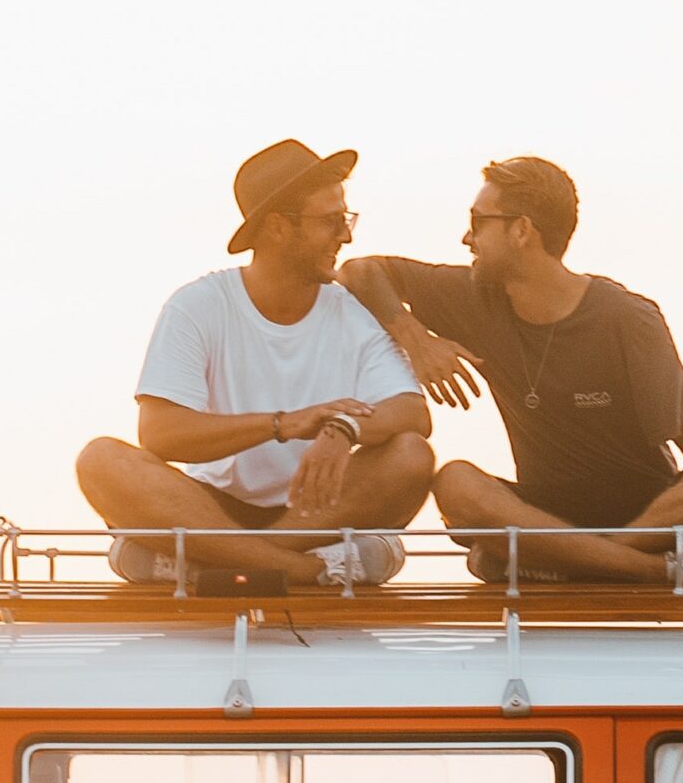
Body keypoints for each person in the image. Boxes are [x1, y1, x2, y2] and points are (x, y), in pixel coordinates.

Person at [338, 157, 683, 585]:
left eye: (478, 221)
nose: (466, 237)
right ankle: (650, 572)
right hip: (543, 516)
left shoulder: (628, 318)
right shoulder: (473, 296)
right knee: (454, 483)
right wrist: (418, 341)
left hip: (652, 516)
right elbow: (360, 271)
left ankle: (580, 563)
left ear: (522, 230)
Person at [77, 140, 435, 590]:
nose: (346, 235)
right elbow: (160, 434)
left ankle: (220, 564)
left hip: (318, 511)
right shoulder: (198, 306)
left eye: (346, 219)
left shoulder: (354, 313)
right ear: (277, 229)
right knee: (100, 460)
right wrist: (283, 424)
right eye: (331, 221)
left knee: (409, 456)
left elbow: (412, 414)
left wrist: (344, 427)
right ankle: (308, 570)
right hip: (208, 509)